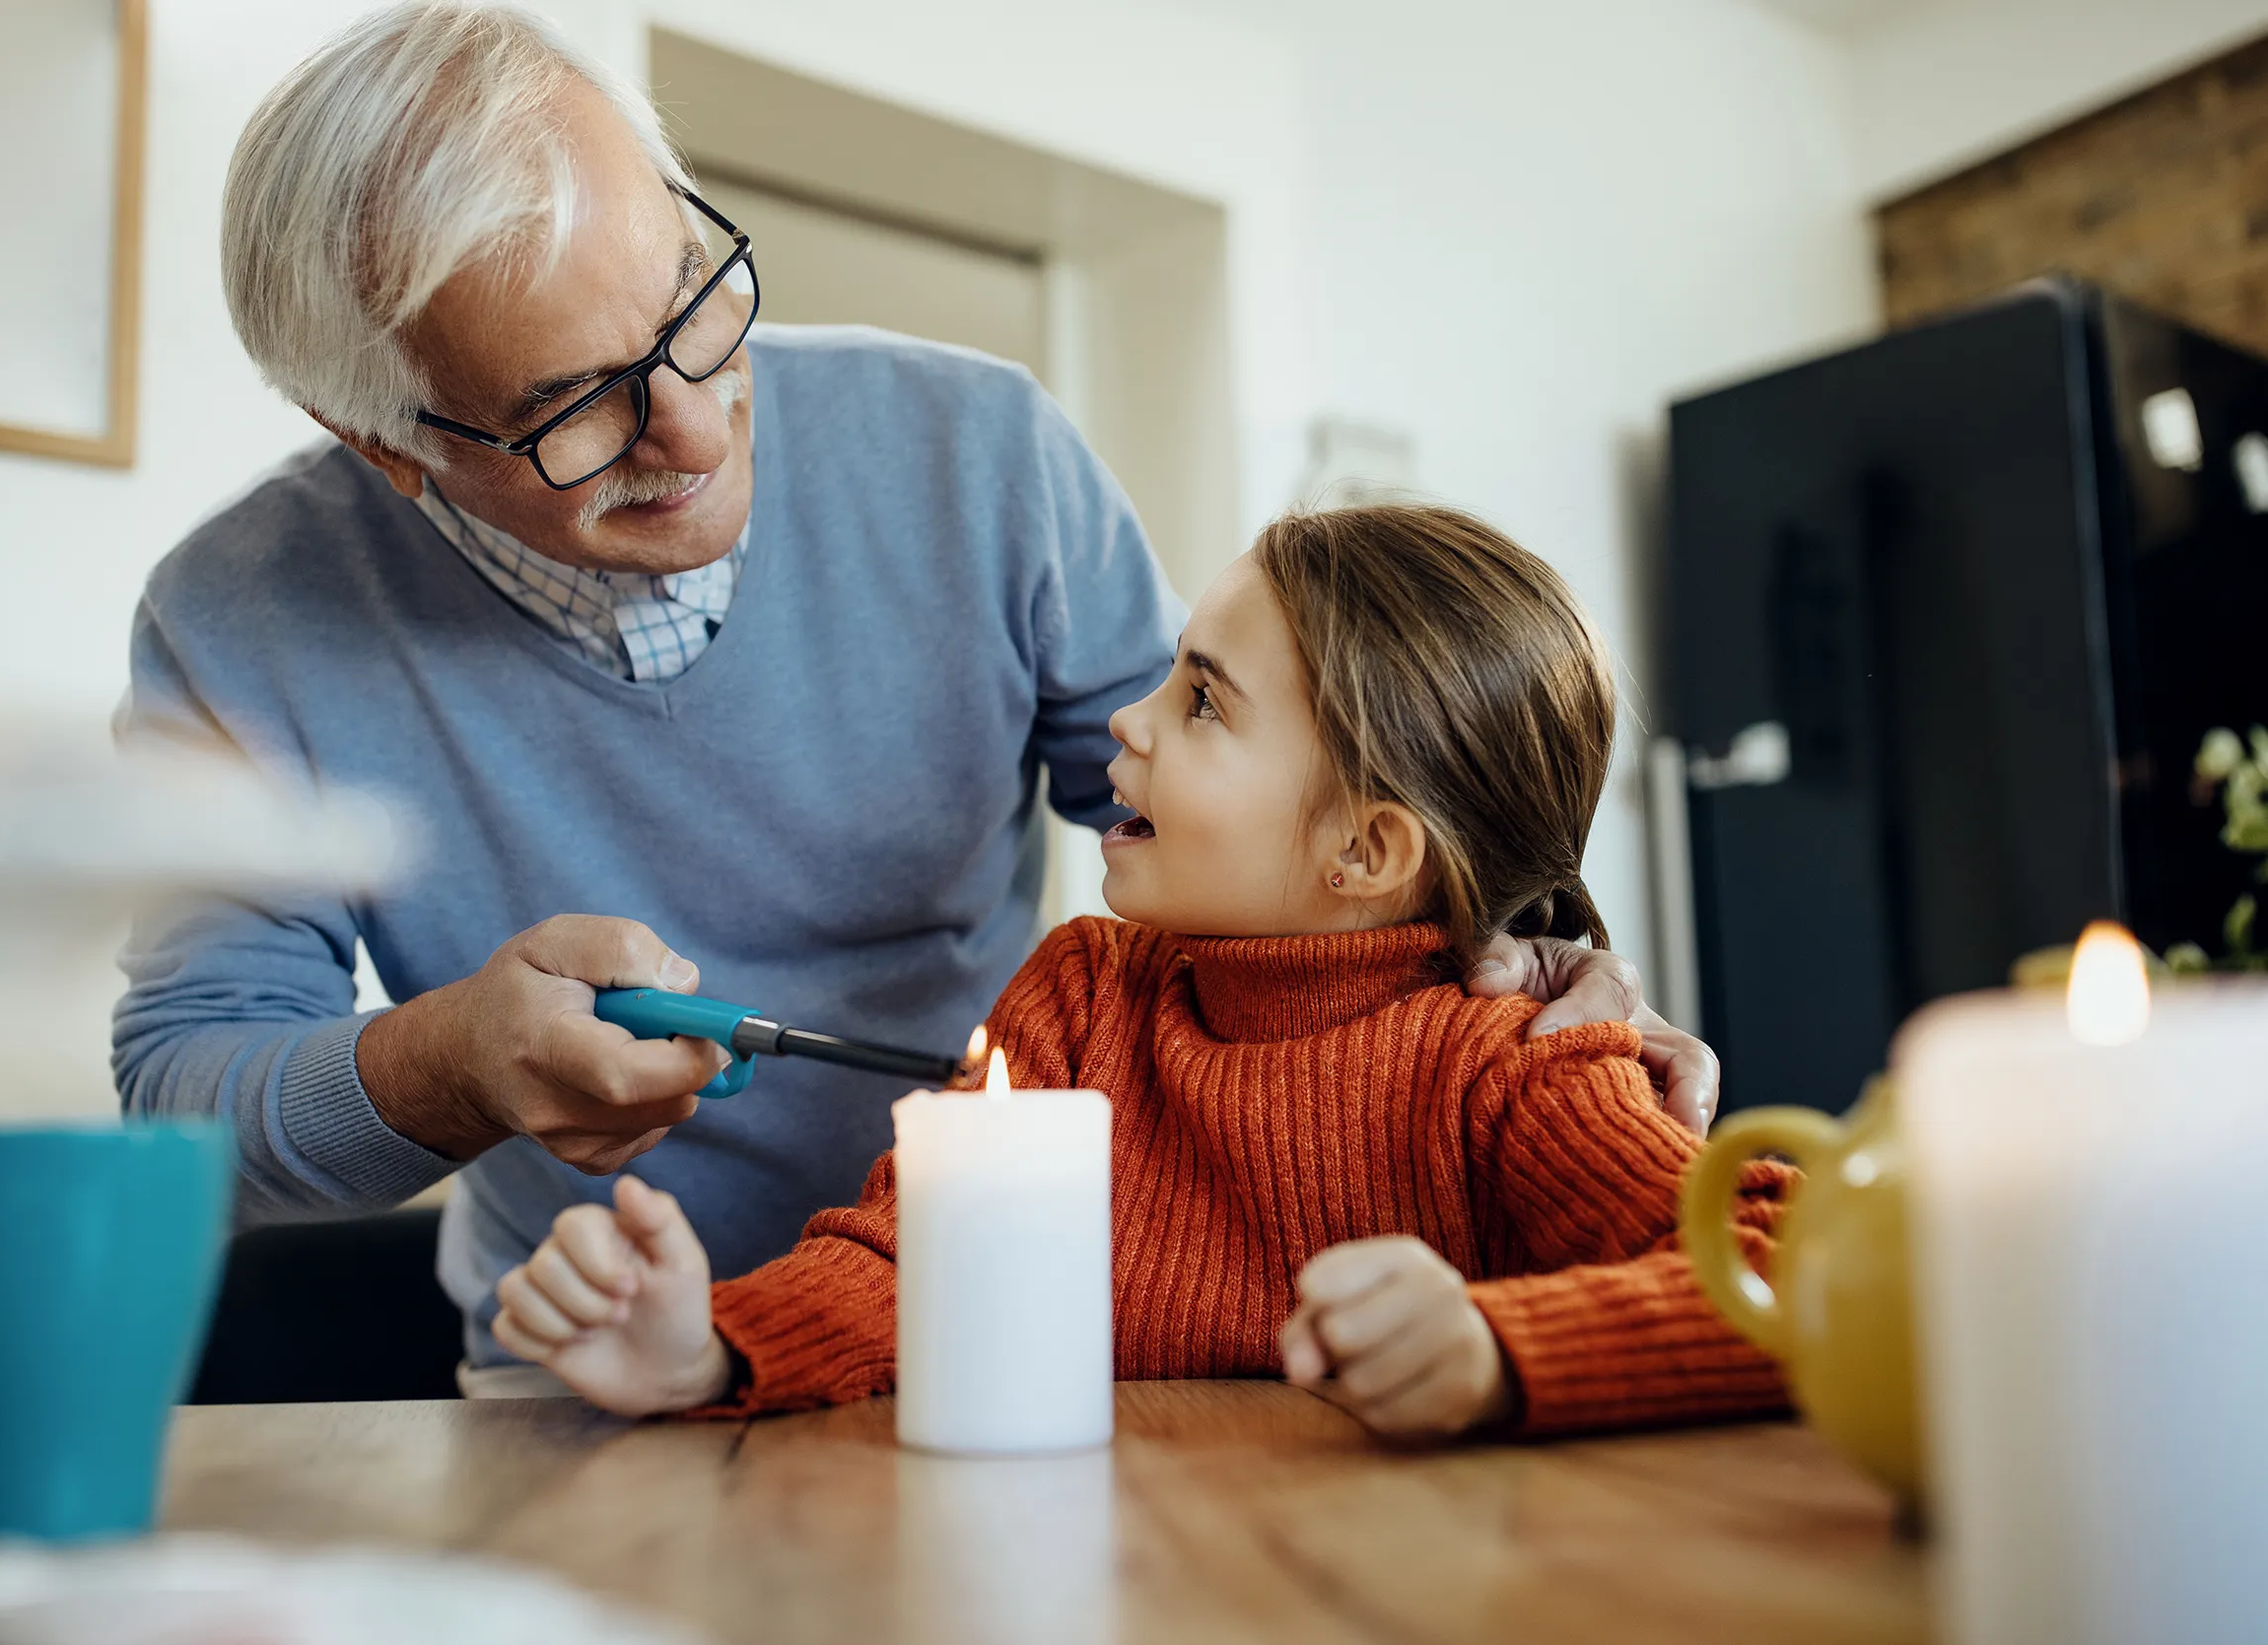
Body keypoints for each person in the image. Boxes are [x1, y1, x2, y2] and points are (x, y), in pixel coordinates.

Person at [115, 0, 1715, 1380]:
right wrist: (451, 1060)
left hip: (980, 1335)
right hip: (590, 1367)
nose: (694, 424)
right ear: (391, 450)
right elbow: (186, 1108)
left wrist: (1537, 960)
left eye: (690, 297)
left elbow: (1309, 839)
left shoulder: (989, 454)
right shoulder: (235, 625)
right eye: (574, 412)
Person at [489, 505, 1792, 1439]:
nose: (1128, 718)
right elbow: (912, 1263)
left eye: (1202, 702)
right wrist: (707, 1345)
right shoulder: (1079, 994)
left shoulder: (1513, 1063)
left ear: (1367, 849)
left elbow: (1793, 1269)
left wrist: (1500, 1357)